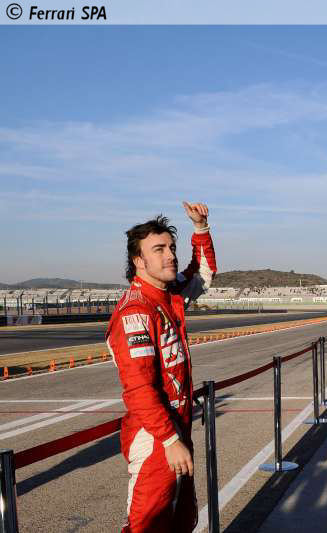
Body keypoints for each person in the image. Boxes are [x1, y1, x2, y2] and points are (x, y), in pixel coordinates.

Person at [106, 202, 216, 533]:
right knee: (148, 525)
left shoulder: (169, 294)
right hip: (155, 438)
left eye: (171, 248)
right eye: (159, 249)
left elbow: (204, 274)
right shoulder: (135, 311)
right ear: (139, 261)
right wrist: (168, 440)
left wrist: (201, 229)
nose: (171, 255)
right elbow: (138, 389)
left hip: (176, 429)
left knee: (181, 521)